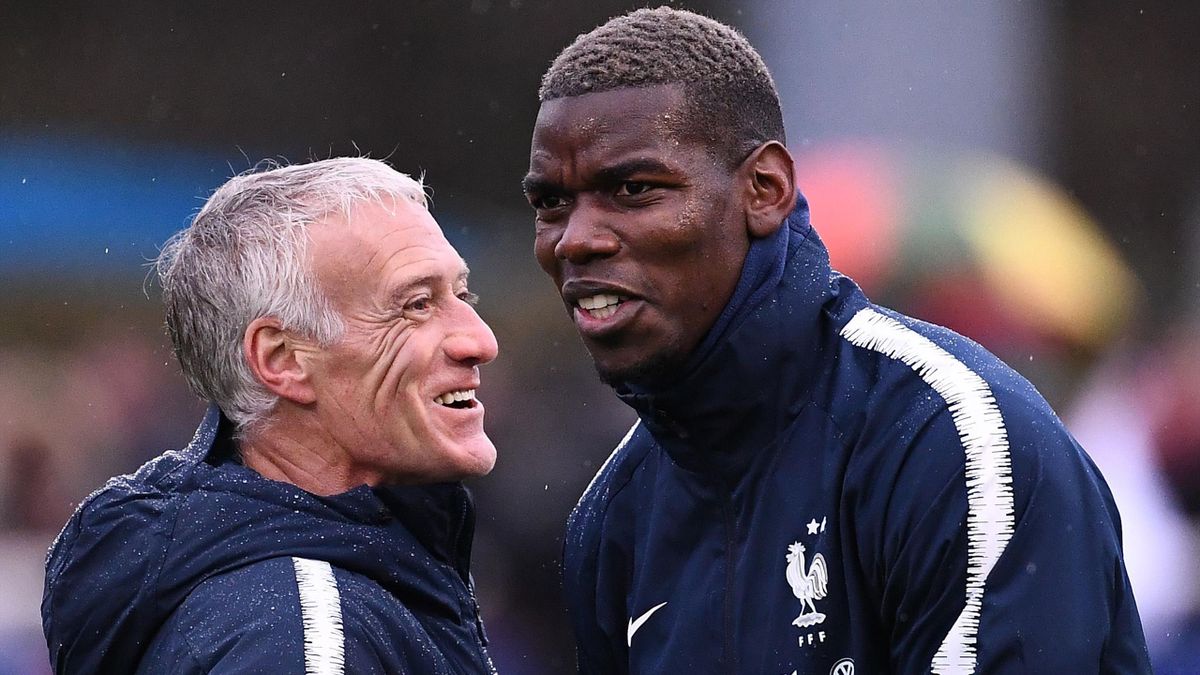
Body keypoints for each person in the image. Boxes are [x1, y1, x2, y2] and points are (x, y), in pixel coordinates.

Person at [523, 7, 1150, 674]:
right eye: (552, 203)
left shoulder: (951, 440)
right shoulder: (613, 513)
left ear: (764, 190)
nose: (576, 238)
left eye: (634, 188)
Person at [42, 158, 501, 674]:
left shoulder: (268, 588)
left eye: (462, 295)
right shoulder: (300, 636)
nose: (481, 340)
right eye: (416, 304)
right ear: (281, 358)